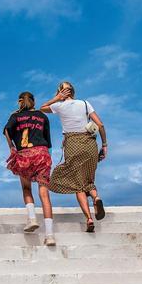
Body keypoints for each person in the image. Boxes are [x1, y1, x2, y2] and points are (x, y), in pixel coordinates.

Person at [41, 82, 108, 232]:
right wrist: (104, 145)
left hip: (73, 145)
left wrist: (56, 98)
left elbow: (42, 108)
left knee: (77, 183)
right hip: (90, 145)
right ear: (73, 91)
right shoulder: (85, 104)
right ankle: (96, 198)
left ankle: (89, 219)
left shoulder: (59, 106)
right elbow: (101, 125)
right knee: (88, 179)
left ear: (61, 92)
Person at [3, 92, 56, 246]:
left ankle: (32, 218)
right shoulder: (42, 116)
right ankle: (50, 235)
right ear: (34, 101)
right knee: (44, 194)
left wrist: (12, 147)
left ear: (19, 102)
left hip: (24, 154)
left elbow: (6, 130)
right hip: (42, 154)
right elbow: (48, 141)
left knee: (26, 189)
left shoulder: (15, 116)